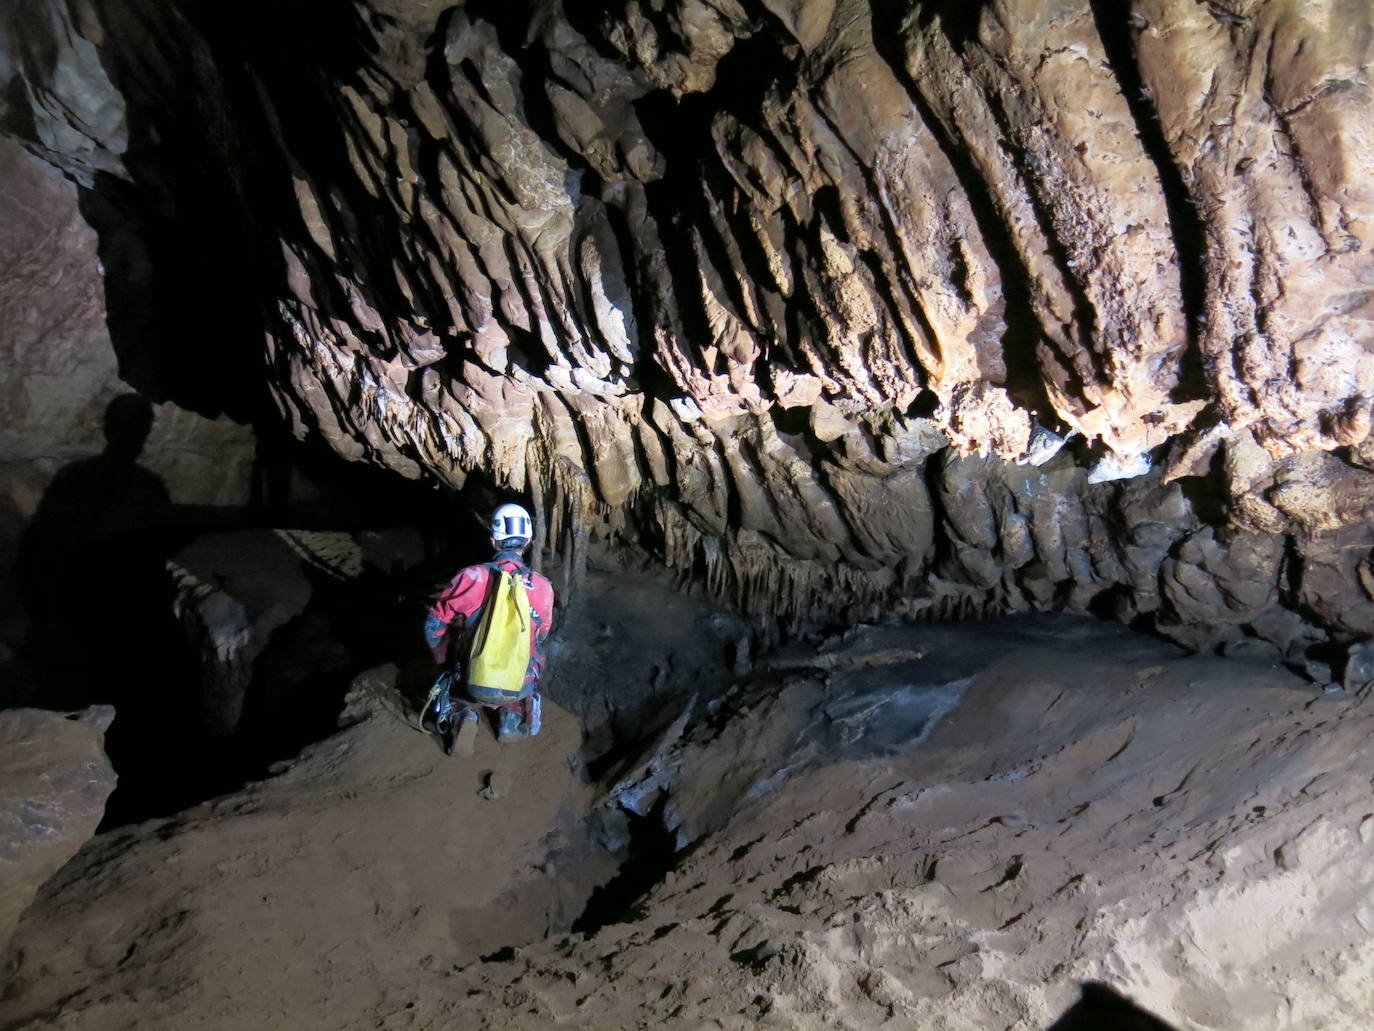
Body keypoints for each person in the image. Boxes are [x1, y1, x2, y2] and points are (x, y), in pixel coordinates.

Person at [422, 503, 555, 754]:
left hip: (471, 680)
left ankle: (462, 714)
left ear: (493, 541)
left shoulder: (472, 576)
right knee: (533, 653)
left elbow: (433, 627)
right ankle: (511, 717)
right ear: (527, 543)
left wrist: (444, 662)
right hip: (519, 682)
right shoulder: (543, 586)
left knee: (453, 654)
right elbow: (542, 635)